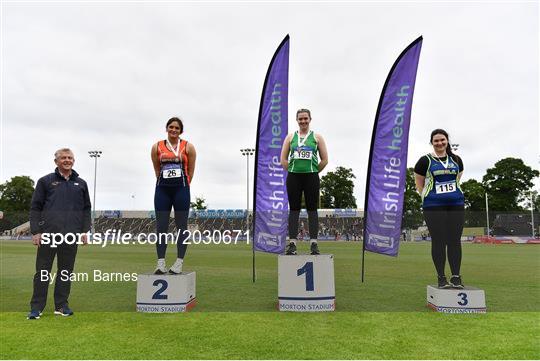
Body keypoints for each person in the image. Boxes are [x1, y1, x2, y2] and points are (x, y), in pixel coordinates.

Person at [27, 148, 91, 319]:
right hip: (48, 235)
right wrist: (36, 231)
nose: (67, 160)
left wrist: (85, 230)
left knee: (65, 272)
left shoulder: (81, 183)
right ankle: (36, 308)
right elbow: (35, 208)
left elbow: (86, 209)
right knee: (42, 272)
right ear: (56, 161)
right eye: (63, 158)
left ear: (74, 161)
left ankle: (61, 306)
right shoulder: (45, 181)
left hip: (71, 235)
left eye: (70, 158)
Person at [414, 129, 465, 289]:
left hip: (456, 204)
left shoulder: (456, 159)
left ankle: (456, 277)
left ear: (447, 141)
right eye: (436, 141)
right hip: (433, 206)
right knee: (439, 241)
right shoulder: (425, 161)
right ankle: (441, 278)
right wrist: (428, 197)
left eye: (442, 140)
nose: (439, 143)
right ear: (432, 143)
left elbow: (457, 179)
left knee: (454, 241)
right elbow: (419, 184)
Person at [151, 117, 196, 274]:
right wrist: (163, 180)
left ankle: (179, 262)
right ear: (167, 128)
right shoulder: (157, 146)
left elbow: (191, 171)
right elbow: (157, 168)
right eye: (171, 127)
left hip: (181, 190)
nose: (173, 130)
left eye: (177, 128)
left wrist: (183, 183)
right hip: (162, 190)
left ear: (180, 131)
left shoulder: (188, 147)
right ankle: (161, 262)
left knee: (181, 227)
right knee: (161, 227)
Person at [280, 108, 328, 255]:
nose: (303, 121)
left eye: (305, 118)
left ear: (310, 119)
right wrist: (293, 170)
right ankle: (292, 243)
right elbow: (283, 159)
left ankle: (314, 244)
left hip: (311, 177)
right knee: (294, 209)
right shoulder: (290, 137)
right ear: (297, 120)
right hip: (294, 177)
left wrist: (313, 171)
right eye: (300, 119)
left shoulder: (317, 137)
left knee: (312, 209)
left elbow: (325, 160)